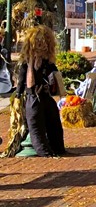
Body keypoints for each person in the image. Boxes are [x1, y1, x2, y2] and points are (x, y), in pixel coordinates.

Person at [16, 25, 66, 157]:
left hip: (45, 95)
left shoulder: (47, 62)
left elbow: (54, 74)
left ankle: (58, 148)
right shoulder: (26, 63)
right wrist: (18, 95)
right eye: (37, 43)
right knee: (36, 125)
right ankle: (45, 152)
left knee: (54, 122)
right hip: (33, 96)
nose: (40, 45)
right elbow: (22, 81)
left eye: (43, 43)